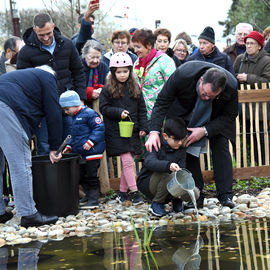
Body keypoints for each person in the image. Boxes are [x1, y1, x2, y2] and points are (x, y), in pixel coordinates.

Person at [145, 61, 238, 209]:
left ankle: (225, 195)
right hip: (184, 113)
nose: (206, 98)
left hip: (215, 118)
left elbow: (230, 115)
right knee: (186, 148)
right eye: (204, 94)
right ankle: (197, 195)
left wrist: (205, 130)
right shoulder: (183, 74)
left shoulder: (231, 86)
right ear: (201, 80)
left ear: (220, 91)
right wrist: (154, 131)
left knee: (221, 146)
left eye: (212, 96)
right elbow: (162, 102)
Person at [0, 65, 63, 227]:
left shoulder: (22, 79)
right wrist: (55, 147)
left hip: (4, 103)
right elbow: (54, 113)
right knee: (19, 163)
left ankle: (0, 212)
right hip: (4, 107)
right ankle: (28, 214)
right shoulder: (48, 78)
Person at [17, 12, 85, 155]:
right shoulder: (25, 53)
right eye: (42, 35)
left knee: (71, 145)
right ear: (35, 30)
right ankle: (50, 178)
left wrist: (80, 100)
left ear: (53, 27)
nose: (46, 38)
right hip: (42, 109)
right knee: (45, 147)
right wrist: (32, 113)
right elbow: (23, 86)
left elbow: (78, 71)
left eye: (49, 33)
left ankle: (70, 177)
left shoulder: (67, 44)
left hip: (68, 104)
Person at [99, 52, 148, 205]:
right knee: (127, 160)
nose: (122, 75)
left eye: (125, 71)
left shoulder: (135, 87)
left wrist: (143, 127)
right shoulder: (107, 89)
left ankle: (121, 193)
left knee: (128, 161)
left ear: (130, 71)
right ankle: (135, 193)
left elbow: (142, 109)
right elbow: (104, 108)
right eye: (118, 72)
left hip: (132, 130)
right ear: (113, 72)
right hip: (116, 131)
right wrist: (118, 113)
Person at [131, 28, 176, 159]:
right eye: (134, 47)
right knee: (147, 157)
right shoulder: (137, 63)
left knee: (162, 155)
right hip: (143, 117)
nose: (135, 50)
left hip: (161, 116)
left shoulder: (165, 61)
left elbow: (173, 87)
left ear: (149, 46)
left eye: (138, 47)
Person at [59, 90, 105, 209]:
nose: (66, 112)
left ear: (74, 104)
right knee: (81, 175)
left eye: (67, 109)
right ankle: (88, 196)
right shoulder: (74, 117)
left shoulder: (90, 114)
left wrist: (91, 141)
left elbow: (99, 128)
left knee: (91, 175)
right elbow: (74, 135)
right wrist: (69, 146)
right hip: (81, 153)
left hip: (92, 152)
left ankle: (94, 199)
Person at [137, 118, 188, 217]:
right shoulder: (155, 143)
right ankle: (157, 203)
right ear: (165, 136)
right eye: (176, 139)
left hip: (167, 182)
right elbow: (149, 162)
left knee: (187, 184)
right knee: (168, 174)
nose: (180, 143)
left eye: (182, 139)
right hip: (148, 182)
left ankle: (176, 199)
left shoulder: (181, 148)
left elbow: (182, 167)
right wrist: (168, 165)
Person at [81, 39, 109, 106]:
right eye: (92, 57)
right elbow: (73, 87)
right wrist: (90, 93)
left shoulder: (103, 67)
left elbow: (109, 85)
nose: (95, 61)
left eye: (98, 57)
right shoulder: (77, 66)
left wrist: (102, 90)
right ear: (84, 55)